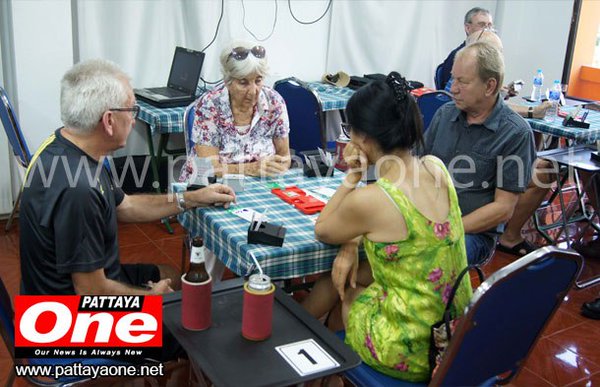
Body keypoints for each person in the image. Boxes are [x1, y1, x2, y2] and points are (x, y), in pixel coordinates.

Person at [20, 59, 236, 299]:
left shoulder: (68, 144)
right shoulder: (79, 191)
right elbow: (91, 290)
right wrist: (151, 297)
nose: (134, 119)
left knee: (170, 274)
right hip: (69, 318)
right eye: (132, 110)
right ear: (109, 121)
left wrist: (192, 198)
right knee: (175, 302)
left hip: (82, 287)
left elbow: (125, 206)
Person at [313, 72, 472, 382]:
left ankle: (327, 365)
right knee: (352, 277)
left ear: (365, 138)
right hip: (457, 334)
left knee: (343, 288)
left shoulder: (373, 198)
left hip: (413, 351)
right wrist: (351, 246)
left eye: (351, 130)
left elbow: (324, 228)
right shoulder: (435, 167)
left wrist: (352, 177)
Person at [425, 42, 537, 264]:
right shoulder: (445, 114)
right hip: (427, 217)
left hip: (471, 233)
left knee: (432, 259)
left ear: (490, 86)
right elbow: (416, 168)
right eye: (453, 79)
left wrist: (446, 230)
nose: (453, 88)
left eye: (462, 81)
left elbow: (503, 209)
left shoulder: (515, 133)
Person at [179, 40, 290, 180]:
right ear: (227, 81)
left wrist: (276, 168)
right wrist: (251, 168)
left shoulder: (274, 102)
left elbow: (284, 158)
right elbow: (207, 168)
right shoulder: (210, 105)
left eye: (258, 80)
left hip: (260, 184)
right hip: (213, 184)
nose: (253, 91)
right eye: (243, 82)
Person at [445, 29, 552, 119]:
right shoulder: (448, 111)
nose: (499, 59)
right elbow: (491, 108)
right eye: (495, 53)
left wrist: (501, 93)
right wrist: (531, 112)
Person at [436, 7, 493, 90]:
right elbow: (451, 92)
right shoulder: (459, 56)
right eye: (482, 25)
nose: (487, 30)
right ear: (468, 28)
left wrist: (499, 92)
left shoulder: (488, 56)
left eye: (489, 26)